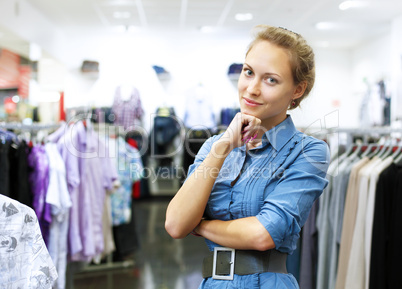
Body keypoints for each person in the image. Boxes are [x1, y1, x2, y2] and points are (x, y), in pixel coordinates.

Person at [165, 24, 330, 289]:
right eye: (248, 72)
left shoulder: (308, 151)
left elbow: (263, 234)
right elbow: (175, 224)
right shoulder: (213, 147)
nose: (252, 88)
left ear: (297, 90)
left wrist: (201, 226)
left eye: (270, 79)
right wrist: (223, 147)